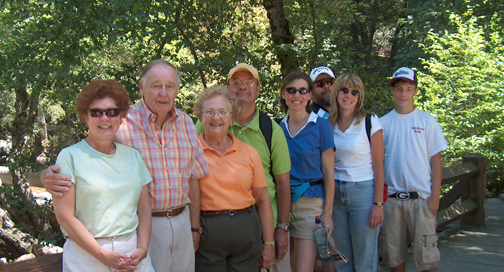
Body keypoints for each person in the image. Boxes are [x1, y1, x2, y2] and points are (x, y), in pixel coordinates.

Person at [43, 59, 209, 272]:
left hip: (180, 221)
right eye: (156, 85)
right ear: (141, 86)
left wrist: (195, 227)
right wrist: (45, 175)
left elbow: (193, 178)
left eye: (170, 86)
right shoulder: (121, 119)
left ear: (177, 89)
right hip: (142, 227)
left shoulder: (186, 123)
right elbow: (85, 156)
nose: (163, 93)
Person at [196, 63, 292, 272]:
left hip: (257, 226)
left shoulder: (270, 132)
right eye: (236, 82)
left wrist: (278, 232)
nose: (216, 117)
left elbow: (281, 185)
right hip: (208, 231)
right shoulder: (196, 140)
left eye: (249, 82)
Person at [52, 80, 154, 271]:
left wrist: (142, 248)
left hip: (132, 256)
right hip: (87, 257)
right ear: (85, 116)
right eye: (96, 112)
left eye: (112, 111)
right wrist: (102, 256)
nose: (105, 118)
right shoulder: (69, 157)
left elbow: (144, 209)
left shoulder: (133, 156)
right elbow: (65, 216)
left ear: (121, 116)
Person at [379, 67, 447, 272]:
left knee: (427, 258)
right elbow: (376, 162)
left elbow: (436, 161)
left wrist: (435, 196)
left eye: (409, 89)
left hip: (421, 199)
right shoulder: (382, 123)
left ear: (416, 91)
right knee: (393, 256)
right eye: (399, 89)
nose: (403, 94)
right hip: (391, 200)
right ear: (392, 90)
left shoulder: (427, 121)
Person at [327, 73, 385, 272]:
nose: (348, 95)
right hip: (336, 194)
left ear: (359, 97)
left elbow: (379, 165)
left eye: (354, 92)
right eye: (344, 90)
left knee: (364, 259)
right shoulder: (328, 123)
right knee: (342, 259)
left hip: (363, 192)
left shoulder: (370, 122)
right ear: (337, 93)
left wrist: (378, 204)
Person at [278, 71, 335, 272]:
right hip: (281, 204)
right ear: (284, 94)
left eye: (303, 90)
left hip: (310, 205)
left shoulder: (322, 127)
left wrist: (327, 214)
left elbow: (329, 173)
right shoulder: (277, 129)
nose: (297, 96)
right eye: (292, 90)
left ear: (310, 95)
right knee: (285, 266)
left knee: (302, 268)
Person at [310, 66, 337, 272]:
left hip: (351, 189)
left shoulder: (348, 110)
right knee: (323, 255)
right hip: (321, 193)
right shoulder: (308, 116)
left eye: (330, 81)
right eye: (320, 83)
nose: (327, 86)